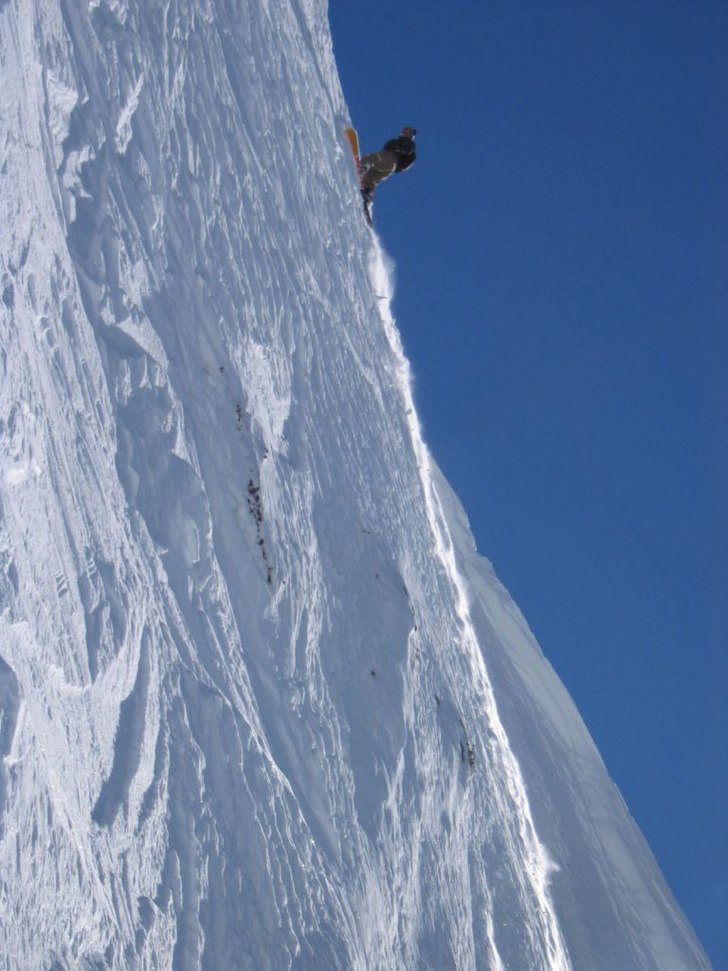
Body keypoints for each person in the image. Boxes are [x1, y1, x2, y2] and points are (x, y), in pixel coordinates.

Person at [359, 126, 417, 204]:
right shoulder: (401, 142)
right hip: (390, 168)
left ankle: (362, 167)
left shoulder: (406, 143)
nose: (403, 132)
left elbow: (406, 149)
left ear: (410, 135)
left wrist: (398, 148)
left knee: (374, 158)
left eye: (406, 131)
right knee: (371, 178)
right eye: (403, 131)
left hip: (390, 159)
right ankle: (368, 195)